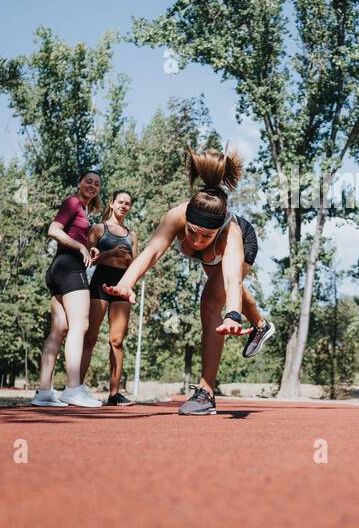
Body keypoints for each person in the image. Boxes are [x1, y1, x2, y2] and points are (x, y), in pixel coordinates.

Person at [103, 147, 274, 416]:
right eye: (192, 233)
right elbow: (152, 251)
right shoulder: (176, 216)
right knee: (217, 288)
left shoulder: (232, 234)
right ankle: (261, 325)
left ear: (217, 231)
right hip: (211, 253)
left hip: (244, 244)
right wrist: (126, 283)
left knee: (210, 301)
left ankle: (206, 393)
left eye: (206, 236)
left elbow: (231, 280)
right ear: (186, 221)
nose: (195, 241)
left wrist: (231, 315)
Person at [32, 171, 103, 407]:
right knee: (80, 325)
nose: (92, 186)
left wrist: (88, 248)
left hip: (59, 269)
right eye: (88, 181)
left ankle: (44, 392)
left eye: (97, 184)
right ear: (79, 183)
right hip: (69, 267)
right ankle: (73, 389)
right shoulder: (72, 202)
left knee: (59, 330)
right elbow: (53, 230)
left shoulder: (82, 210)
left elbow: (74, 236)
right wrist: (80, 248)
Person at [82, 189, 139, 405]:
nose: (124, 206)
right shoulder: (98, 229)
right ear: (112, 204)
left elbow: (135, 264)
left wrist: (130, 273)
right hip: (100, 281)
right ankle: (75, 388)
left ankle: (114, 394)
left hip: (122, 283)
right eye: (121, 202)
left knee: (117, 341)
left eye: (128, 203)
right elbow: (86, 260)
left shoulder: (131, 235)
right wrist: (110, 253)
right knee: (90, 337)